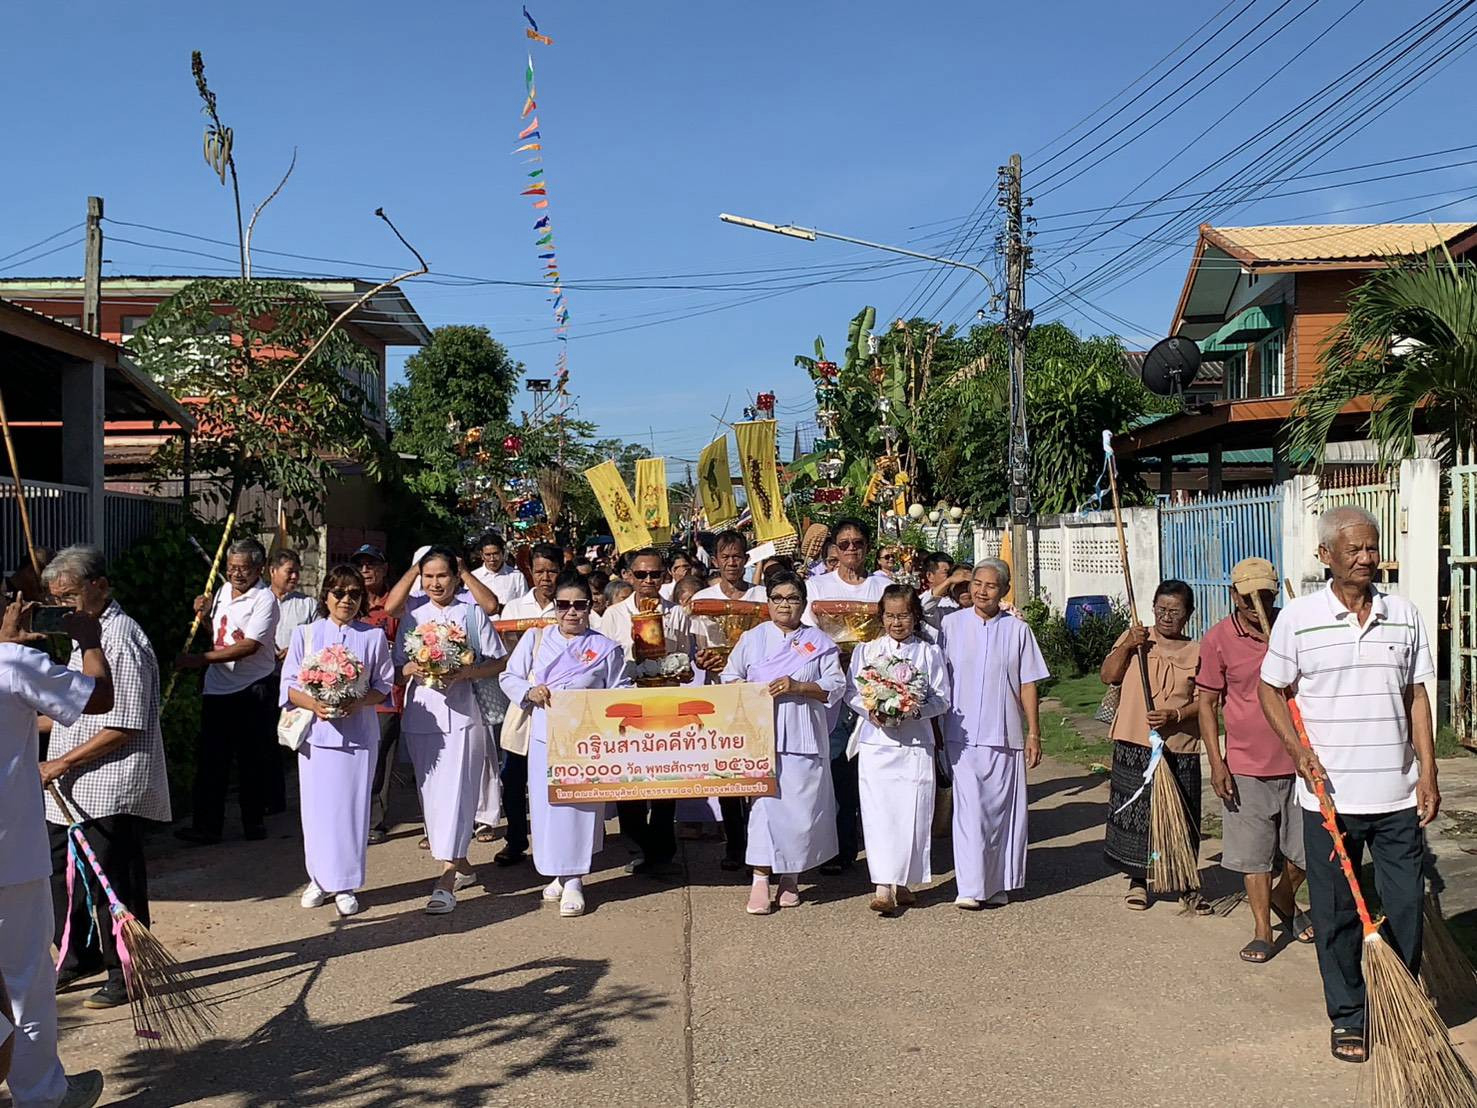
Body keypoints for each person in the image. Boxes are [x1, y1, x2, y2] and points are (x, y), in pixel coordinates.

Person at [1258, 506, 1438, 1065]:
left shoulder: (1403, 615)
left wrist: (1428, 771)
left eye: (1372, 548)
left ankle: (1399, 1002)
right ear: (1325, 556)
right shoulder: (1299, 619)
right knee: (1335, 913)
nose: (1366, 559)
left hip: (1396, 795)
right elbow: (1271, 691)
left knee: (1407, 905)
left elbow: (1416, 697)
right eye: (1354, 550)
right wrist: (1298, 753)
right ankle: (1349, 1016)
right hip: (1327, 799)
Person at [38, 547, 170, 1012]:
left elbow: (126, 722)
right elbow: (78, 710)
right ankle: (77, 954)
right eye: (57, 600)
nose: (64, 608)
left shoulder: (121, 637)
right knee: (58, 871)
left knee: (115, 879)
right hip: (69, 786)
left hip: (112, 781)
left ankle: (127, 971)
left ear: (99, 586)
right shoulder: (82, 636)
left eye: (70, 596)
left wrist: (60, 763)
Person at [2, 593, 112, 1108]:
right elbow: (99, 697)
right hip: (10, 855)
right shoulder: (13, 663)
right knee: (25, 977)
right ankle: (43, 1095)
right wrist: (88, 639)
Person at [1197, 557, 1312, 964]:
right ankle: (1263, 928)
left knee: (1306, 852)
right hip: (1247, 764)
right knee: (1255, 854)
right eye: (1247, 596)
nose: (1256, 603)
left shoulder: (1294, 626)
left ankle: (1286, 896)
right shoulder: (1218, 640)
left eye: (1265, 594)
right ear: (1233, 595)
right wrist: (1217, 761)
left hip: (1302, 761)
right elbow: (1207, 703)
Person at [499, 571, 630, 917]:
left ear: (590, 607)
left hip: (587, 742)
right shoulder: (535, 639)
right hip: (545, 737)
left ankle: (575, 878)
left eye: (579, 605)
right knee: (547, 809)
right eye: (564, 605)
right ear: (554, 608)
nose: (571, 612)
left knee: (581, 810)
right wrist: (529, 692)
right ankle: (560, 872)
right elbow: (508, 676)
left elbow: (620, 688)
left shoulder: (605, 648)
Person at [722, 572, 844, 914]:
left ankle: (790, 878)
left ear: (803, 603)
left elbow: (835, 686)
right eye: (777, 597)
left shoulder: (818, 641)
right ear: (768, 602)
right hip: (762, 737)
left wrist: (798, 686)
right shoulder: (751, 638)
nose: (784, 604)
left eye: (792, 598)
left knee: (800, 811)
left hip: (803, 735)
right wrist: (752, 692)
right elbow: (731, 678)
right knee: (764, 809)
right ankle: (760, 879)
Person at [394, 547, 507, 914]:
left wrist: (468, 672)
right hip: (423, 716)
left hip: (464, 714)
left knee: (458, 793)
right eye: (428, 576)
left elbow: (500, 660)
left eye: (442, 575)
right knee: (432, 797)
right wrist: (411, 668)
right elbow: (400, 662)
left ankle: (446, 879)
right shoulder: (413, 615)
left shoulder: (471, 613)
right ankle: (463, 865)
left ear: (456, 577)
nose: (435, 583)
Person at [280, 565, 394, 917]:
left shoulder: (372, 636)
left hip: (358, 736)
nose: (346, 600)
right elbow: (289, 686)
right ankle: (317, 878)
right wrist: (316, 704)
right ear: (326, 596)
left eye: (354, 594)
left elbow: (385, 685)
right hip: (317, 736)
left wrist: (358, 700)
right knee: (316, 810)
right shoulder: (306, 635)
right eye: (339, 593)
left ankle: (346, 882)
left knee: (351, 809)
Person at [938, 560, 1048, 909]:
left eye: (990, 586)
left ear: (1003, 591)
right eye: (976, 583)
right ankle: (970, 886)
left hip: (1005, 733)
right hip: (962, 733)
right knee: (970, 810)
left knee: (1000, 811)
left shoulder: (1017, 630)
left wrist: (1034, 733)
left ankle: (998, 883)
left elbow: (1027, 682)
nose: (982, 591)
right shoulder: (951, 625)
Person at [847, 585, 950, 915]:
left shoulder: (929, 653)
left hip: (916, 744)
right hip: (877, 744)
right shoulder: (867, 650)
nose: (896, 622)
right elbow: (852, 692)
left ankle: (903, 881)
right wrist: (872, 709)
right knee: (879, 813)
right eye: (890, 615)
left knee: (912, 812)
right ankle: (882, 885)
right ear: (881, 616)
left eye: (903, 615)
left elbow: (943, 698)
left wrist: (913, 708)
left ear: (915, 616)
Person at [1100, 579, 1202, 911]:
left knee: (1181, 816)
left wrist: (1175, 714)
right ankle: (1139, 879)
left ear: (1188, 614)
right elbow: (1108, 675)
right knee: (1137, 814)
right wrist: (1128, 645)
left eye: (1175, 611)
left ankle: (1185, 881)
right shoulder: (1138, 639)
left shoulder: (1198, 651)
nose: (1166, 617)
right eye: (1161, 609)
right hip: (1135, 740)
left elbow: (1207, 702)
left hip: (1179, 745)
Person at [597, 546, 698, 876]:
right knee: (630, 783)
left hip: (666, 705)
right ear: (627, 576)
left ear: (665, 575)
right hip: (628, 707)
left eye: (655, 574)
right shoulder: (613, 616)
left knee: (666, 780)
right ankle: (637, 844)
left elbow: (686, 661)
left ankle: (663, 850)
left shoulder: (677, 614)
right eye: (641, 574)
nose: (648, 580)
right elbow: (604, 665)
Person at [176, 538, 281, 845]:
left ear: (258, 569)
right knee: (211, 760)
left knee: (251, 758)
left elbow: (249, 646)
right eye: (231, 568)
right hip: (218, 687)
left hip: (252, 687)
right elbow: (219, 635)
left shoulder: (265, 600)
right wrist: (204, 617)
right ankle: (207, 826)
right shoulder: (222, 591)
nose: (236, 574)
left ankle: (253, 822)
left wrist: (199, 660)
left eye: (243, 569)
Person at [804, 518, 892, 875]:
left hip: (876, 687)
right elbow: (805, 636)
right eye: (844, 544)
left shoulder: (882, 586)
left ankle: (882, 846)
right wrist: (831, 652)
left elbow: (896, 627)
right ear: (834, 550)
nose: (851, 549)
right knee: (837, 765)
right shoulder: (816, 587)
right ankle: (840, 847)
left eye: (858, 543)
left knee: (875, 768)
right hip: (832, 689)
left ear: (868, 547)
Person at [492, 543, 563, 868]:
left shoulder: (572, 603)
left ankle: (559, 842)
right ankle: (516, 839)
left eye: (551, 570)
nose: (546, 577)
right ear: (529, 573)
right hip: (524, 705)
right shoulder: (515, 609)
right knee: (514, 774)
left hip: (562, 705)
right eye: (539, 571)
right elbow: (506, 661)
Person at [353, 547, 405, 846]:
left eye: (372, 564)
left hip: (387, 694)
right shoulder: (351, 604)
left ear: (385, 569)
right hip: (351, 694)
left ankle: (375, 819)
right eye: (360, 565)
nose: (366, 570)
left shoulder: (394, 606)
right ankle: (352, 815)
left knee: (381, 755)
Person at [471, 532, 530, 608]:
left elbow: (524, 605)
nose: (492, 559)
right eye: (488, 555)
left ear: (502, 553)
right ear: (482, 555)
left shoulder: (516, 576)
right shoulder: (473, 578)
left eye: (495, 554)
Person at [919, 552, 969, 631]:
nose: (954, 578)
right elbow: (924, 609)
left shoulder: (957, 600)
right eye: (946, 573)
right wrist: (948, 581)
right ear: (930, 576)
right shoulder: (926, 599)